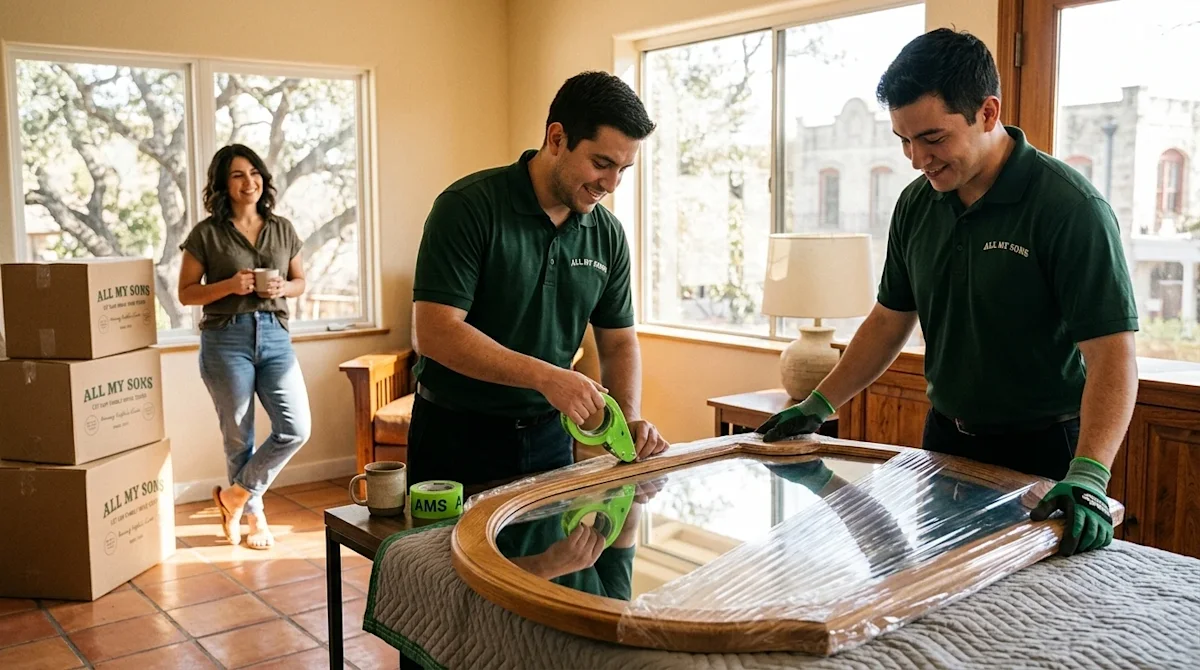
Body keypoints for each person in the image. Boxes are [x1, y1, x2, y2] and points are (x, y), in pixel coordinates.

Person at [756, 28, 1139, 557]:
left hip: (1047, 448)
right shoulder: (918, 204)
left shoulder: (1069, 208)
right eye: (903, 140)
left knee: (1033, 615)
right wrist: (821, 402)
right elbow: (889, 320)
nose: (916, 158)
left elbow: (1113, 355)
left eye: (933, 139)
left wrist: (1091, 474)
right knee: (941, 598)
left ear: (987, 112)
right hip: (946, 441)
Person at [408, 71, 670, 488]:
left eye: (624, 169)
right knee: (443, 556)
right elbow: (436, 333)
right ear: (556, 138)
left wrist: (629, 418)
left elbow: (619, 342)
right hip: (456, 437)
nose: (611, 184)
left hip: (551, 438)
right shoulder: (466, 208)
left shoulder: (608, 235)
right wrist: (547, 377)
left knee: (549, 555)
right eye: (601, 163)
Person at [178, 144, 312, 550]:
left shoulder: (282, 228)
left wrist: (283, 287)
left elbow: (300, 281)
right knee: (239, 436)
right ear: (223, 183)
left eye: (254, 173)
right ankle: (255, 518)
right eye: (237, 175)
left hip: (274, 333)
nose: (248, 182)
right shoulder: (206, 234)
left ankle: (234, 497)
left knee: (296, 428)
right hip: (225, 338)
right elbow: (186, 293)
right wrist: (229, 287)